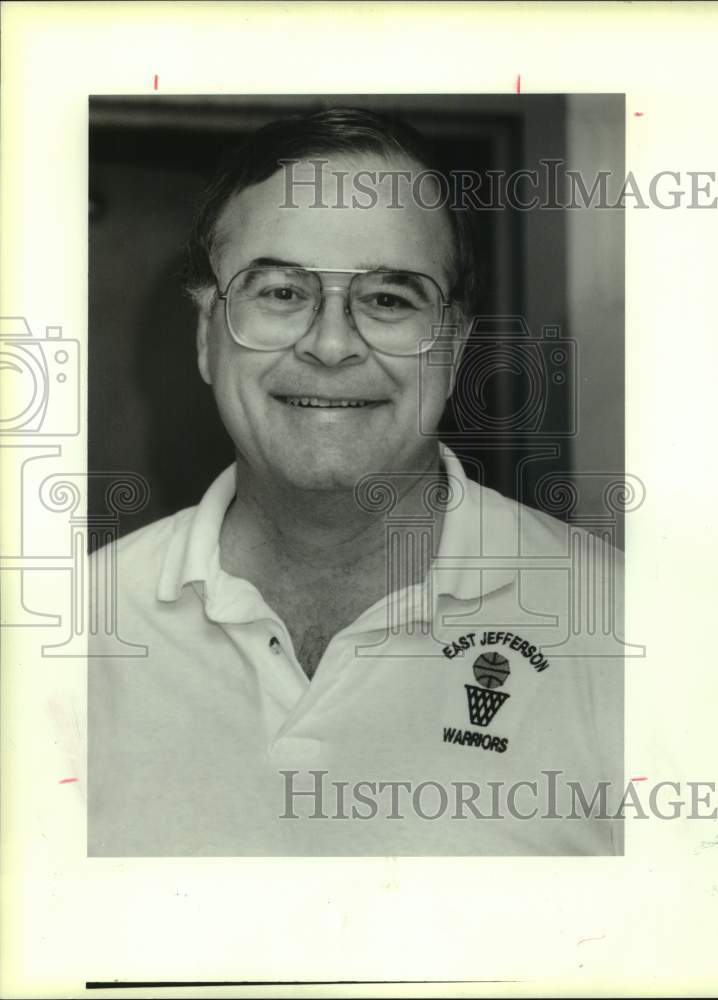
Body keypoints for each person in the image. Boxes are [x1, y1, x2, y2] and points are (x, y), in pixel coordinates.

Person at [88, 107, 624, 856]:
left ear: (454, 346)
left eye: (388, 299)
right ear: (206, 335)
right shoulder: (65, 635)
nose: (332, 344)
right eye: (278, 291)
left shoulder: (630, 635)